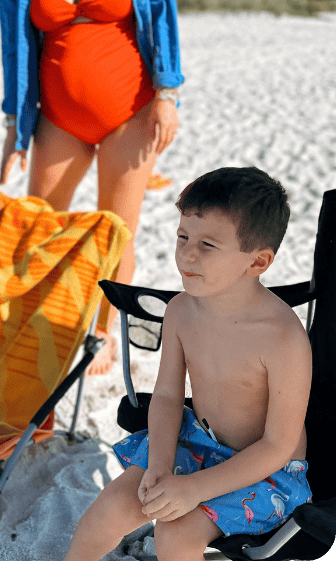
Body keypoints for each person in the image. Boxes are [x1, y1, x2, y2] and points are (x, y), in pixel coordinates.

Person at [0, 0, 184, 374]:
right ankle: (46, 319)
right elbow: (14, 42)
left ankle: (106, 332)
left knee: (116, 232)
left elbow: (159, 4)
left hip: (130, 107)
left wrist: (168, 94)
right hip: (59, 114)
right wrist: (14, 128)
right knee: (40, 230)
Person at [62, 167, 313, 561]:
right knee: (107, 511)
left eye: (208, 245)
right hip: (196, 442)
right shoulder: (181, 311)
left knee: (176, 535)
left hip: (265, 470)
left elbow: (277, 445)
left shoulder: (283, 338)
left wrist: (194, 489)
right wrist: (159, 466)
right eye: (183, 237)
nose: (187, 254)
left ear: (258, 261)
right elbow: (165, 396)